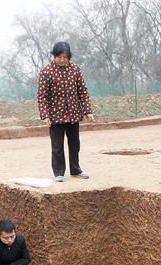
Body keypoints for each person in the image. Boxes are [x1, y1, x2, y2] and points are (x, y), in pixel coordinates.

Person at [37, 41, 95, 182]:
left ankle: (75, 169)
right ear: (54, 56)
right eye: (59, 57)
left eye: (65, 57)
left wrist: (88, 111)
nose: (62, 60)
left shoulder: (75, 69)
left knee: (74, 144)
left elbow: (83, 92)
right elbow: (42, 96)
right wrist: (45, 115)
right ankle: (59, 172)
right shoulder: (46, 72)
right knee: (57, 146)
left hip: (73, 113)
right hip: (56, 115)